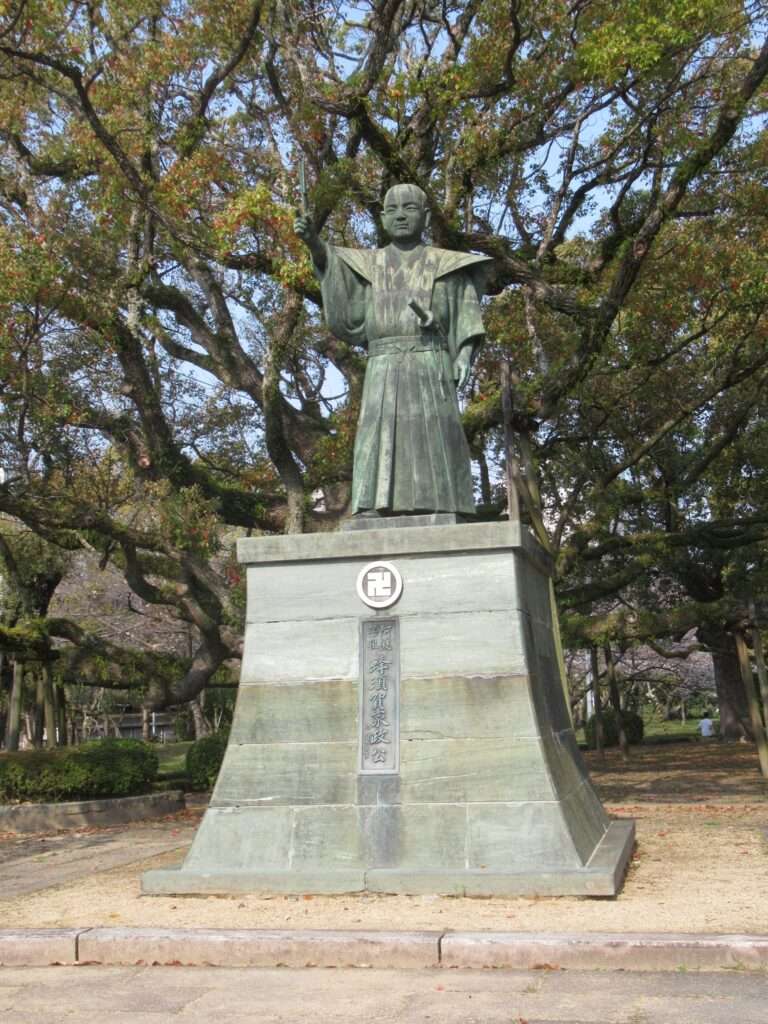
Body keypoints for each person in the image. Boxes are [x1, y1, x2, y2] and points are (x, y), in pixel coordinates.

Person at [295, 183, 492, 517]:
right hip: (383, 364)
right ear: (384, 218)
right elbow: (332, 262)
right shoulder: (368, 264)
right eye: (393, 210)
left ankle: (442, 504)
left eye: (410, 208)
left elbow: (465, 315)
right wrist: (313, 241)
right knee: (377, 434)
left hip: (430, 360)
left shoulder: (447, 266)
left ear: (426, 216)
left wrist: (462, 354)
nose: (401, 215)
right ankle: (374, 505)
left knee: (434, 434)